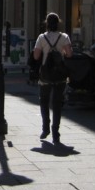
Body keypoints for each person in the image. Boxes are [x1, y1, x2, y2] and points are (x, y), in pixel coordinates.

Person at [32, 12, 73, 144]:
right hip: (60, 74)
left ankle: (45, 128)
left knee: (44, 101)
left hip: (45, 75)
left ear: (47, 23)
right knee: (57, 104)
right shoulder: (64, 37)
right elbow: (69, 54)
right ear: (58, 23)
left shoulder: (42, 37)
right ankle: (56, 132)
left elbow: (36, 56)